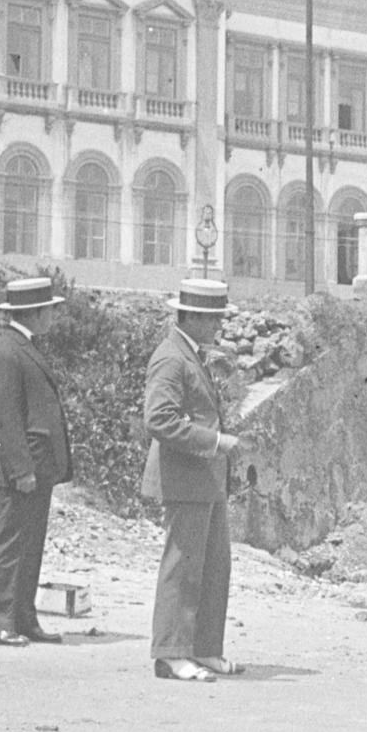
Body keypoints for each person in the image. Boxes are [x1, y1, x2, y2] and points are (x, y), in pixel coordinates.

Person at [140, 277, 251, 682]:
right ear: (192, 317)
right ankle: (170, 653)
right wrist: (216, 441)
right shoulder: (171, 358)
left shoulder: (190, 353)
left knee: (213, 566)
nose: (219, 326)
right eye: (214, 318)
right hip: (185, 476)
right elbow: (159, 419)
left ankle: (204, 648)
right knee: (182, 565)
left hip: (204, 478)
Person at [0, 275, 74, 646]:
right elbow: (5, 418)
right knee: (10, 544)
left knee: (30, 544)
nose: (52, 316)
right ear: (33, 312)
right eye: (49, 309)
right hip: (24, 468)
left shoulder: (23, 346)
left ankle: (23, 617)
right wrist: (21, 470)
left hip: (37, 466)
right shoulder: (7, 351)